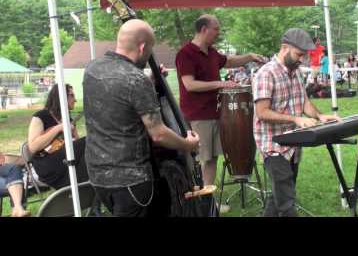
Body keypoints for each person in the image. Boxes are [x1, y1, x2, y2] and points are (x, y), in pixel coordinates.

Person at [83, 19, 199, 217]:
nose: (148, 55)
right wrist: (187, 145)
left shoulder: (92, 68)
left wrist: (150, 83)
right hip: (131, 180)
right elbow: (159, 134)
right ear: (142, 46)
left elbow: (118, 102)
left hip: (98, 175)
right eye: (150, 50)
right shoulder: (136, 79)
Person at [175, 14, 265, 213]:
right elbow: (189, 84)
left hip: (217, 113)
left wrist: (249, 56)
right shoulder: (186, 53)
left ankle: (208, 199)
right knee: (204, 159)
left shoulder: (212, 52)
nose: (219, 32)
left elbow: (230, 61)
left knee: (212, 158)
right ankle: (203, 202)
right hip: (199, 115)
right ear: (204, 29)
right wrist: (221, 83)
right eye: (216, 29)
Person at [253, 28, 340, 217]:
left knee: (279, 195)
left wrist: (320, 116)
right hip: (272, 144)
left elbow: (304, 102)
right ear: (285, 48)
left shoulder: (297, 72)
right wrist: (295, 118)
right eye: (299, 54)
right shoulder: (266, 74)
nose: (302, 60)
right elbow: (261, 112)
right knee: (287, 203)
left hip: (293, 143)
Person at [27, 83, 90, 190]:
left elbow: (76, 146)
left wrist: (74, 133)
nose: (75, 100)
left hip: (64, 162)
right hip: (46, 164)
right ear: (60, 97)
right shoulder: (40, 116)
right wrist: (59, 128)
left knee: (88, 151)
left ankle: (88, 193)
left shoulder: (67, 118)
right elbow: (32, 147)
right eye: (71, 95)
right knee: (89, 141)